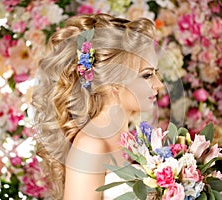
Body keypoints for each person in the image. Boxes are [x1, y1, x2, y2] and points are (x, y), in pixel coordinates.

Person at [32, 13, 163, 200]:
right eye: (147, 75)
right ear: (114, 83)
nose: (158, 84)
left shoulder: (130, 140)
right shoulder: (90, 145)